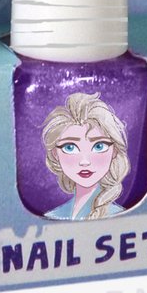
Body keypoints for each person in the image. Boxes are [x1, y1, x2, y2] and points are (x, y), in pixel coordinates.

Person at [41, 91, 130, 220]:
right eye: (70, 148)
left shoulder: (119, 216)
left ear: (114, 151)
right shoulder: (53, 216)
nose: (85, 161)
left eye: (99, 146)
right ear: (55, 154)